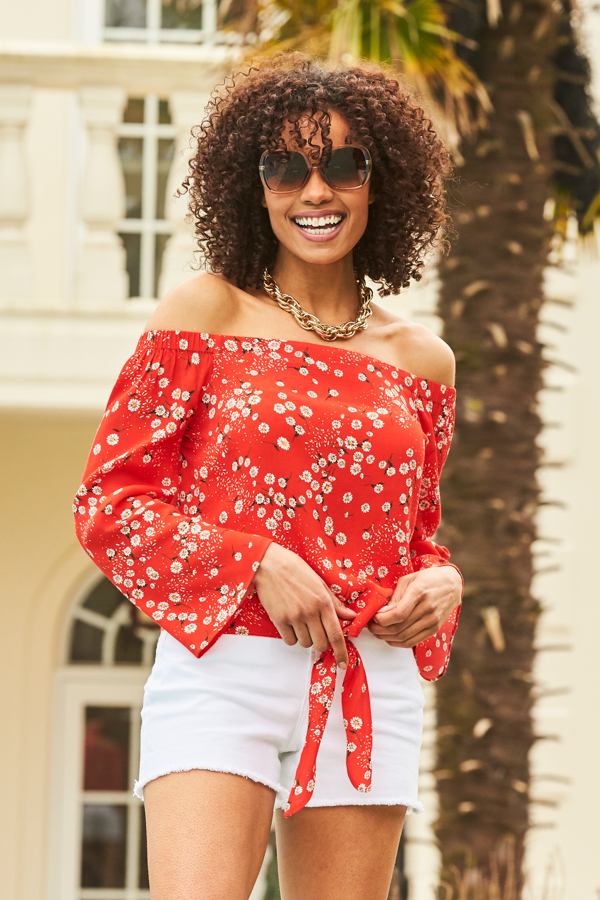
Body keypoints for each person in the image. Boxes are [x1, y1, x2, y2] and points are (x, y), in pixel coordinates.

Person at [74, 54, 463, 900]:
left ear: (378, 180)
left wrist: (440, 580)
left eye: (341, 165)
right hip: (225, 665)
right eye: (285, 166)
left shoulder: (424, 363)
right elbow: (109, 502)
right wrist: (250, 559)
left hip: (368, 674)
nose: (313, 190)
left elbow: (415, 537)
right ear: (253, 185)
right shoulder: (203, 313)